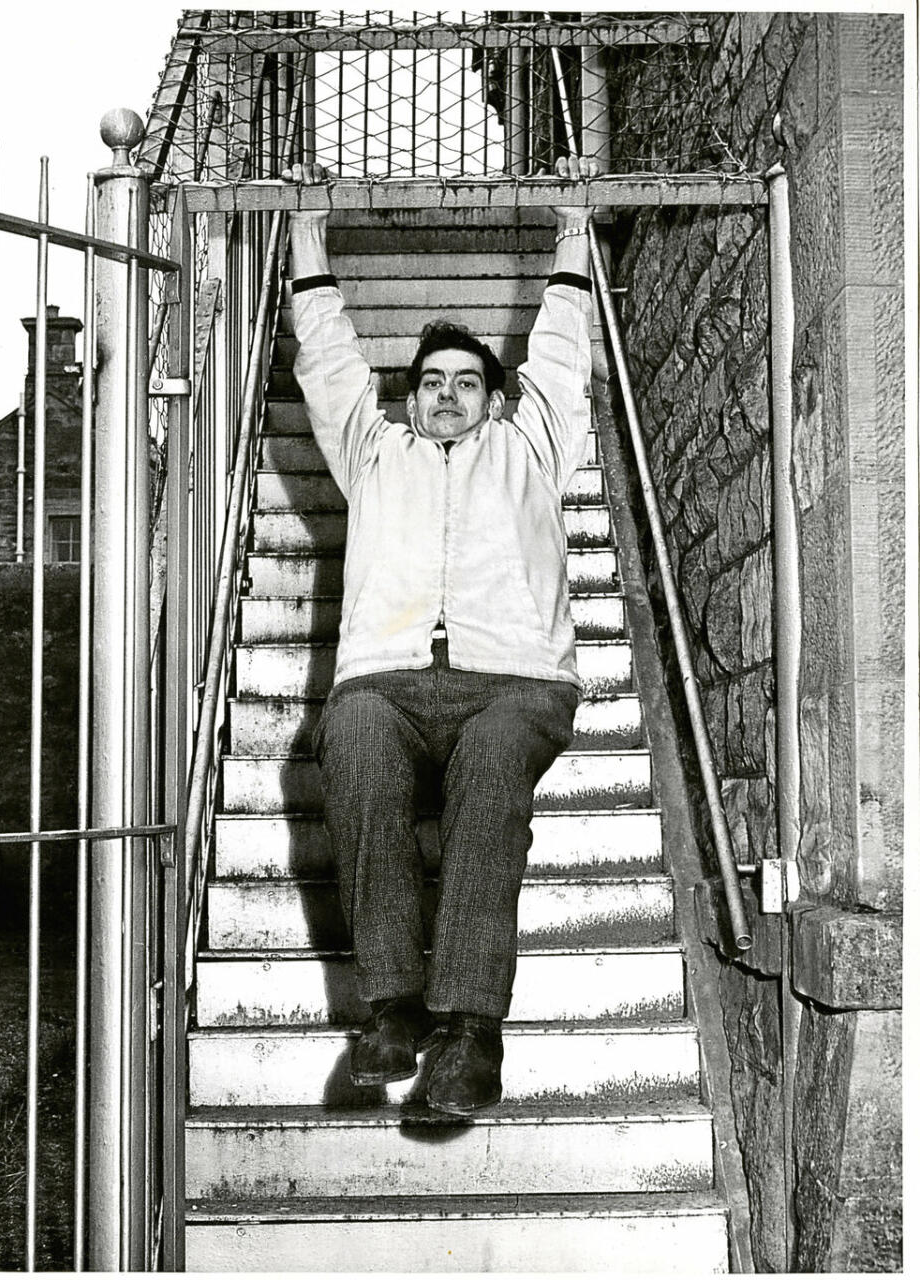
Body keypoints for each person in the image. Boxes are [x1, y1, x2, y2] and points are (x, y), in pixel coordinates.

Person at [282, 156, 594, 1116]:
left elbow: (563, 353)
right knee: (352, 738)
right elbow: (328, 359)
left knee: (492, 768)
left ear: (495, 398)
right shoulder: (375, 454)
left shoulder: (532, 447)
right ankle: (393, 1005)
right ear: (409, 398)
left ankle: (470, 1030)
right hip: (388, 681)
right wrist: (305, 230)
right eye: (430, 383)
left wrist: (573, 226)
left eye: (466, 382)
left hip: (517, 683)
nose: (448, 395)